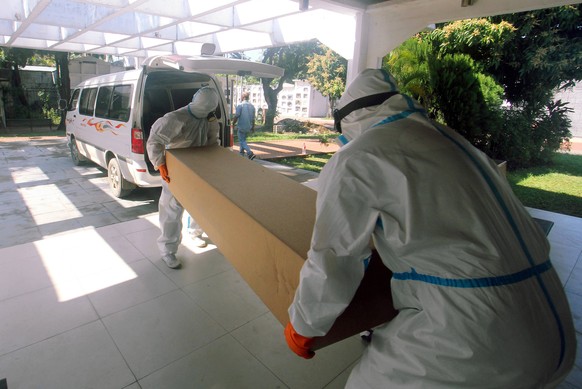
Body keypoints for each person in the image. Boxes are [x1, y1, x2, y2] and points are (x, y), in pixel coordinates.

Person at [284, 69, 576, 388]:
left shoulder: (359, 156)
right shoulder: (452, 140)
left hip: (479, 333)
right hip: (553, 322)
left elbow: (335, 255)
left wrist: (304, 324)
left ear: (348, 118)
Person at [146, 87, 219, 269]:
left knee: (200, 204)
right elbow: (155, 140)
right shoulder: (174, 119)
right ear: (194, 100)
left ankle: (194, 233)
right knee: (172, 209)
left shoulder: (209, 118)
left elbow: (213, 140)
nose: (205, 113)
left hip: (200, 168)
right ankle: (167, 251)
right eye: (203, 110)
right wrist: (160, 164)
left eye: (208, 111)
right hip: (175, 170)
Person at [232, 91, 256, 160]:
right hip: (248, 126)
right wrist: (253, 127)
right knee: (243, 140)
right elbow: (253, 118)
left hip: (241, 126)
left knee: (241, 140)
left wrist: (233, 124)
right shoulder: (252, 106)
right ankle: (241, 154)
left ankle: (249, 153)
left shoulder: (240, 105)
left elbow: (237, 116)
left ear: (242, 97)